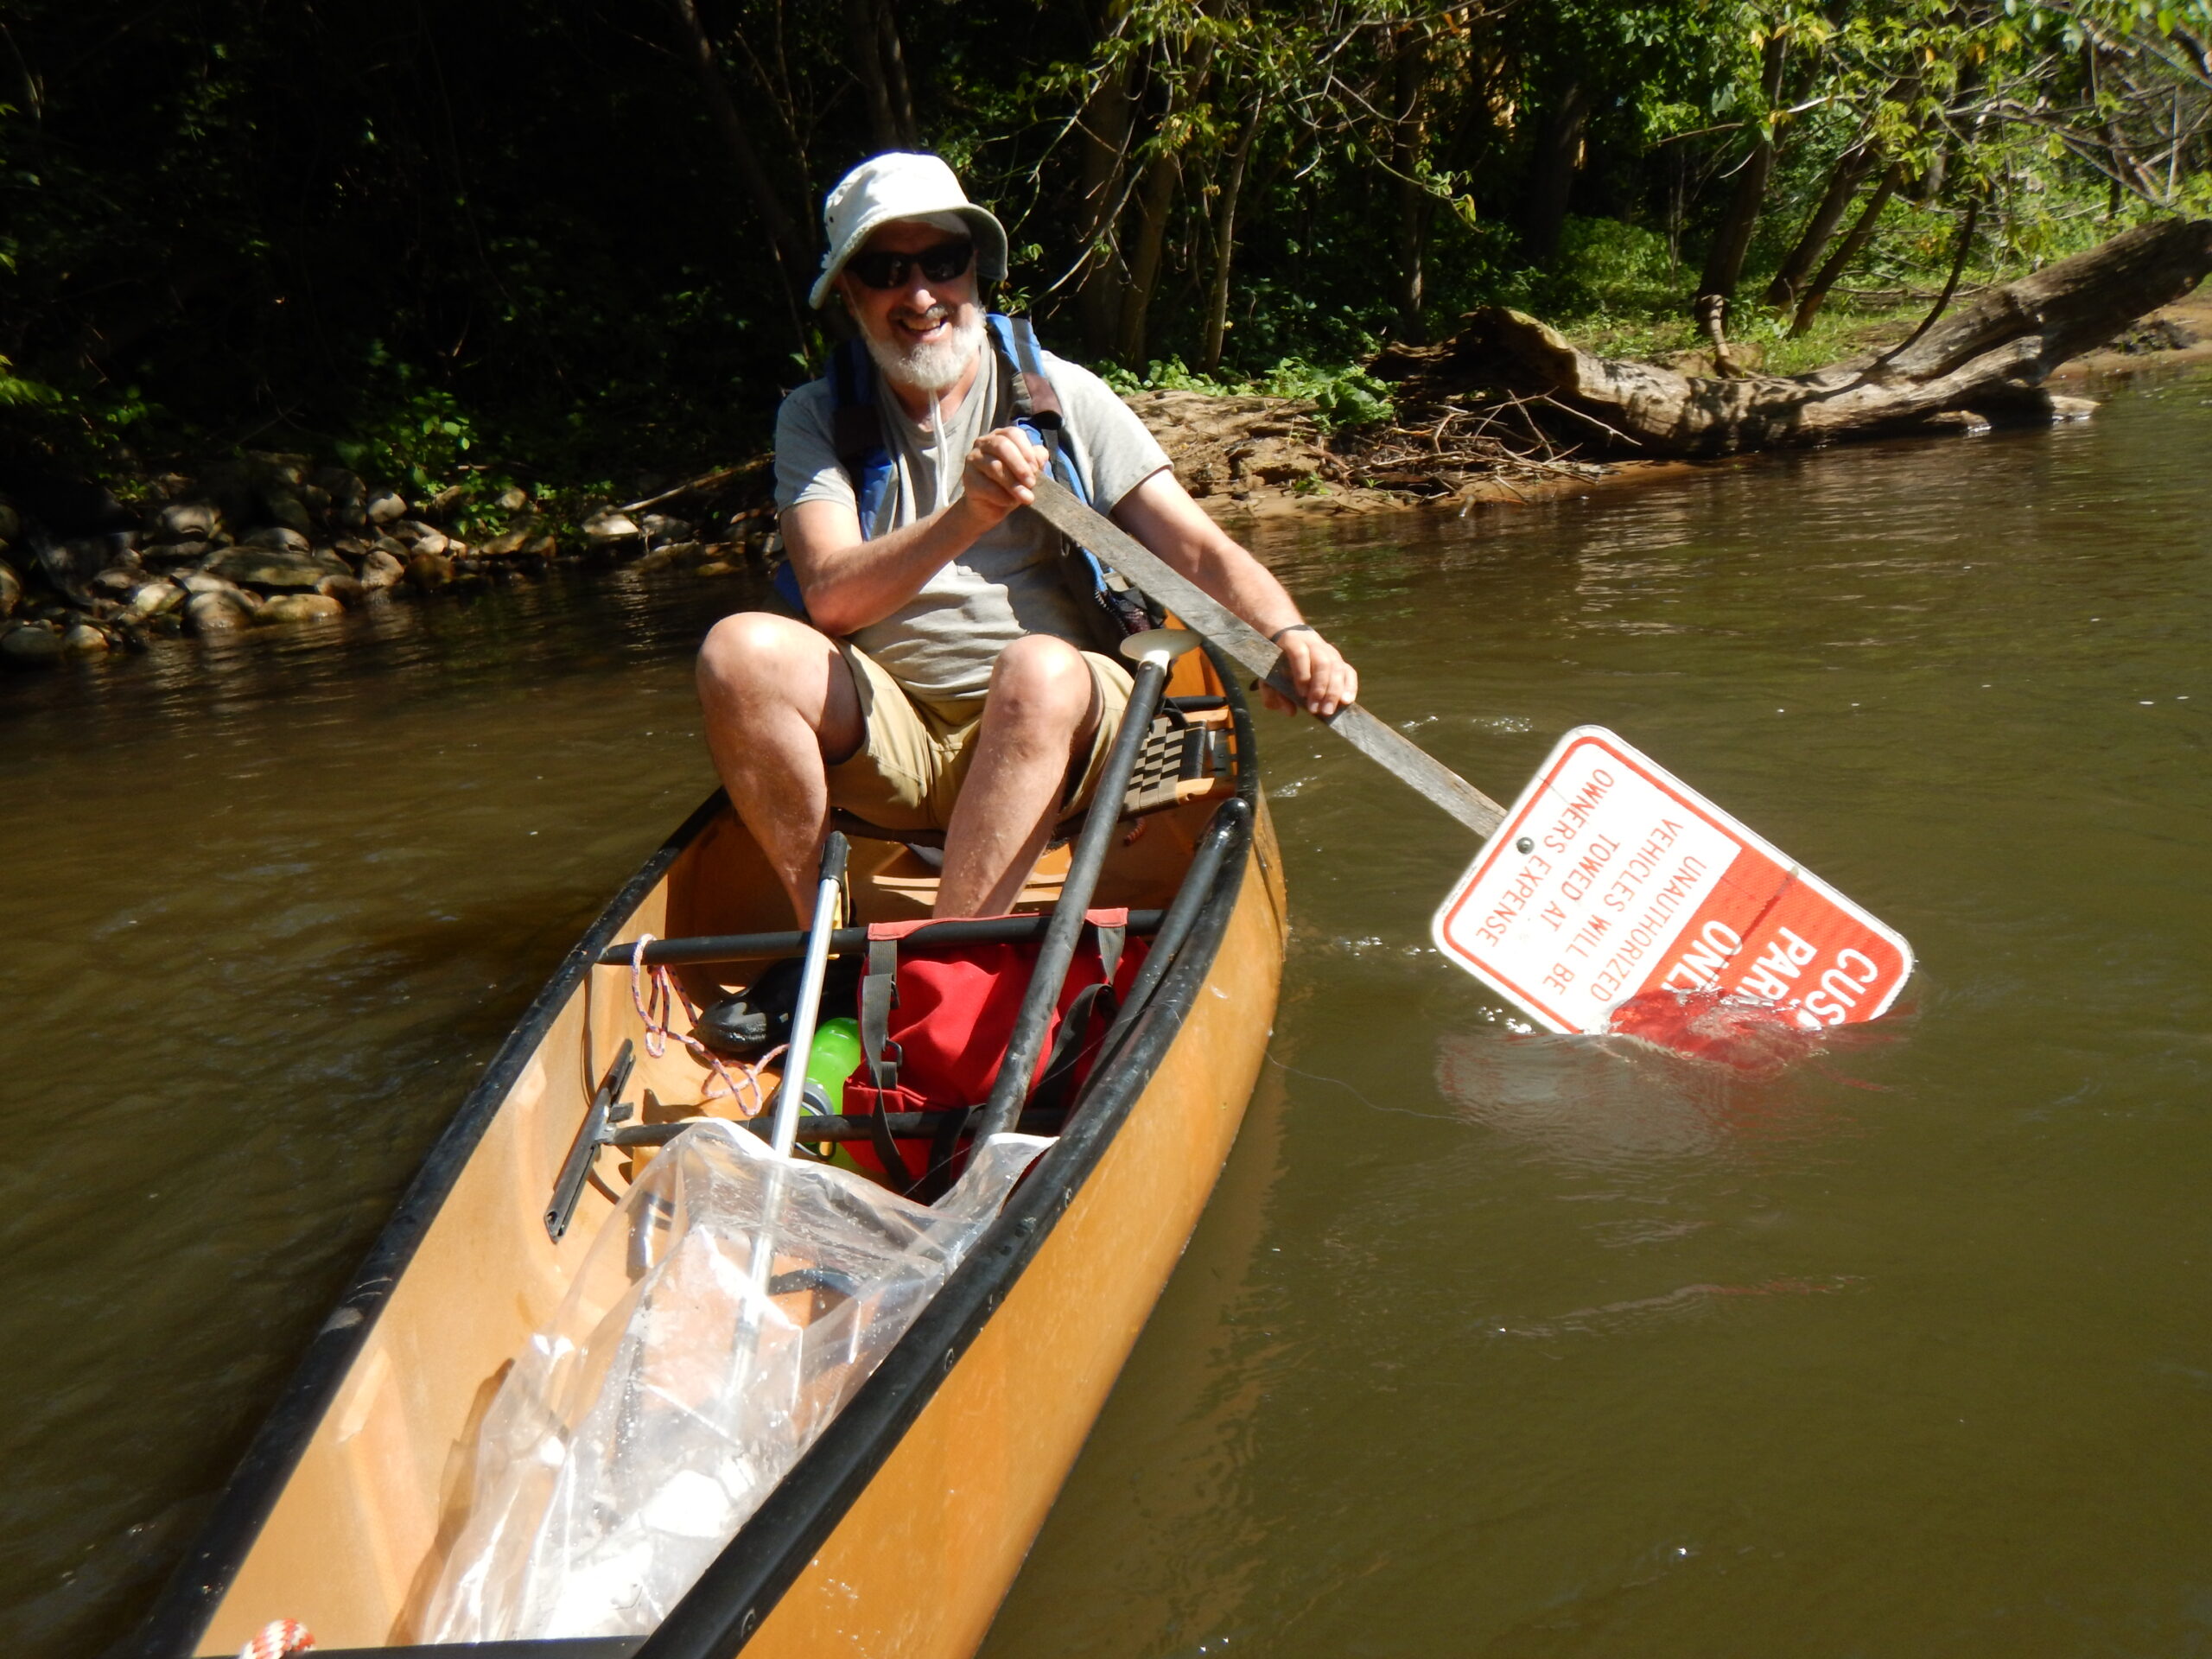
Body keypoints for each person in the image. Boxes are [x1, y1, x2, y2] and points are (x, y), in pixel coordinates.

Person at [697, 151, 1358, 921]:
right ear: (849, 291)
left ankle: (950, 957)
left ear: (975, 270)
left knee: (1037, 670)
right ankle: (821, 934)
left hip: (1063, 722)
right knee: (739, 651)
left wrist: (1288, 631)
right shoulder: (814, 416)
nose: (920, 294)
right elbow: (833, 600)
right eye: (885, 269)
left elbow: (1195, 548)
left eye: (942, 262)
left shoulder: (1064, 394)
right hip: (896, 735)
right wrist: (966, 513)